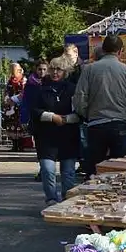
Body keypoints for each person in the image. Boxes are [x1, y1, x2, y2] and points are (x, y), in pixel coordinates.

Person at [74, 34, 126, 176]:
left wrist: (87, 114)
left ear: (103, 49)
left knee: (95, 171)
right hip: (120, 125)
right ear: (120, 51)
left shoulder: (89, 70)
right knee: (119, 172)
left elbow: (79, 99)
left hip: (96, 125)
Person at [30, 57, 81, 207]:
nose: (55, 72)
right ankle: (51, 198)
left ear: (65, 72)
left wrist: (66, 119)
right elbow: (34, 110)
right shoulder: (41, 89)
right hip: (46, 137)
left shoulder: (72, 89)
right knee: (47, 171)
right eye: (52, 69)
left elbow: (80, 111)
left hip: (68, 135)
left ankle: (68, 200)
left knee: (68, 173)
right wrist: (52, 117)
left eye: (59, 69)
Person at [4, 63, 26, 151]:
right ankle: (14, 145)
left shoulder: (23, 80)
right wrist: (6, 99)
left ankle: (21, 146)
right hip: (11, 107)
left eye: (14, 70)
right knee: (11, 125)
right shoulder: (10, 80)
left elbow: (24, 93)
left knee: (20, 125)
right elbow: (6, 91)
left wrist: (14, 99)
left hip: (20, 105)